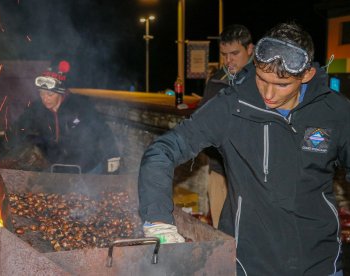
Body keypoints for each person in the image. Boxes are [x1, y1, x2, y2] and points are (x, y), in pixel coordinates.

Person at [139, 22, 350, 275]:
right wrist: (158, 220)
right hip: (249, 261)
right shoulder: (231, 106)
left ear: (306, 75)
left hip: (318, 261)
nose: (269, 94)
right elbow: (162, 150)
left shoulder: (335, 112)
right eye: (262, 79)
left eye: (282, 85)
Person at [13, 60, 120, 174]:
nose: (45, 99)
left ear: (61, 92)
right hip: (58, 165)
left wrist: (113, 154)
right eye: (42, 93)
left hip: (87, 166)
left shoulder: (80, 106)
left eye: (50, 94)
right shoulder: (37, 109)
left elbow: (102, 129)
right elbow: (19, 127)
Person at [199, 24, 254, 228]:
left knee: (251, 236)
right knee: (221, 236)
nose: (228, 60)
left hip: (252, 175)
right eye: (224, 54)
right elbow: (202, 123)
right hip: (220, 170)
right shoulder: (217, 80)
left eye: (234, 53)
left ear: (250, 49)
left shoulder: (266, 80)